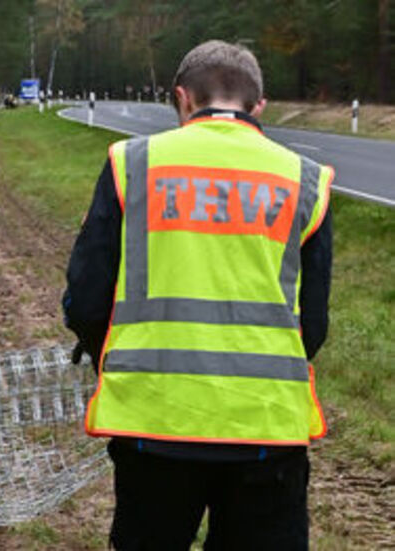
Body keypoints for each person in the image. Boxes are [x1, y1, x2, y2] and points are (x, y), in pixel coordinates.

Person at [62, 40, 332, 550]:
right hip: (266, 431)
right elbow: (312, 323)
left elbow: (87, 298)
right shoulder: (305, 179)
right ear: (259, 106)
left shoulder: (133, 165)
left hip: (153, 426)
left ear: (182, 99)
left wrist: (111, 356)